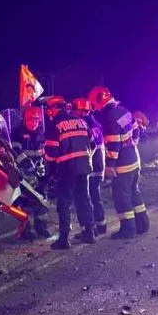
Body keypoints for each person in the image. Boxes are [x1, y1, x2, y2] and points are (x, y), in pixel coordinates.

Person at [88, 86, 150, 239]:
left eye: (94, 104)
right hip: (133, 158)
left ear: (99, 101)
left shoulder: (109, 117)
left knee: (122, 197)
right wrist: (131, 144)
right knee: (134, 192)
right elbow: (136, 129)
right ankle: (142, 224)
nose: (94, 108)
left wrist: (110, 165)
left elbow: (114, 143)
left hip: (122, 164)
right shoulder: (124, 111)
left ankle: (128, 229)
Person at [43, 96, 95, 250]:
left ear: (54, 108)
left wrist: (50, 173)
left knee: (64, 204)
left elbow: (51, 154)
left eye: (48, 109)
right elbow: (93, 144)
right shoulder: (81, 121)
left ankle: (64, 239)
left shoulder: (54, 125)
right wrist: (85, 158)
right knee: (83, 200)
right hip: (84, 168)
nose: (47, 112)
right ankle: (89, 233)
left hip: (66, 170)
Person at [10, 106, 50, 240]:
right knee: (25, 202)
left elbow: (43, 152)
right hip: (24, 173)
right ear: (24, 120)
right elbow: (16, 152)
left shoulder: (41, 133)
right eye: (30, 120)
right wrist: (28, 166)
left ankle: (41, 228)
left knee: (42, 200)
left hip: (38, 172)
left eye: (36, 121)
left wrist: (43, 167)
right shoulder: (17, 133)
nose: (33, 123)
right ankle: (27, 230)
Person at [71, 97, 107, 235]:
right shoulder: (96, 124)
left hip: (89, 167)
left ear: (79, 110)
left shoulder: (83, 124)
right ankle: (101, 225)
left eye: (74, 110)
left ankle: (90, 228)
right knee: (95, 196)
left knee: (86, 199)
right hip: (99, 166)